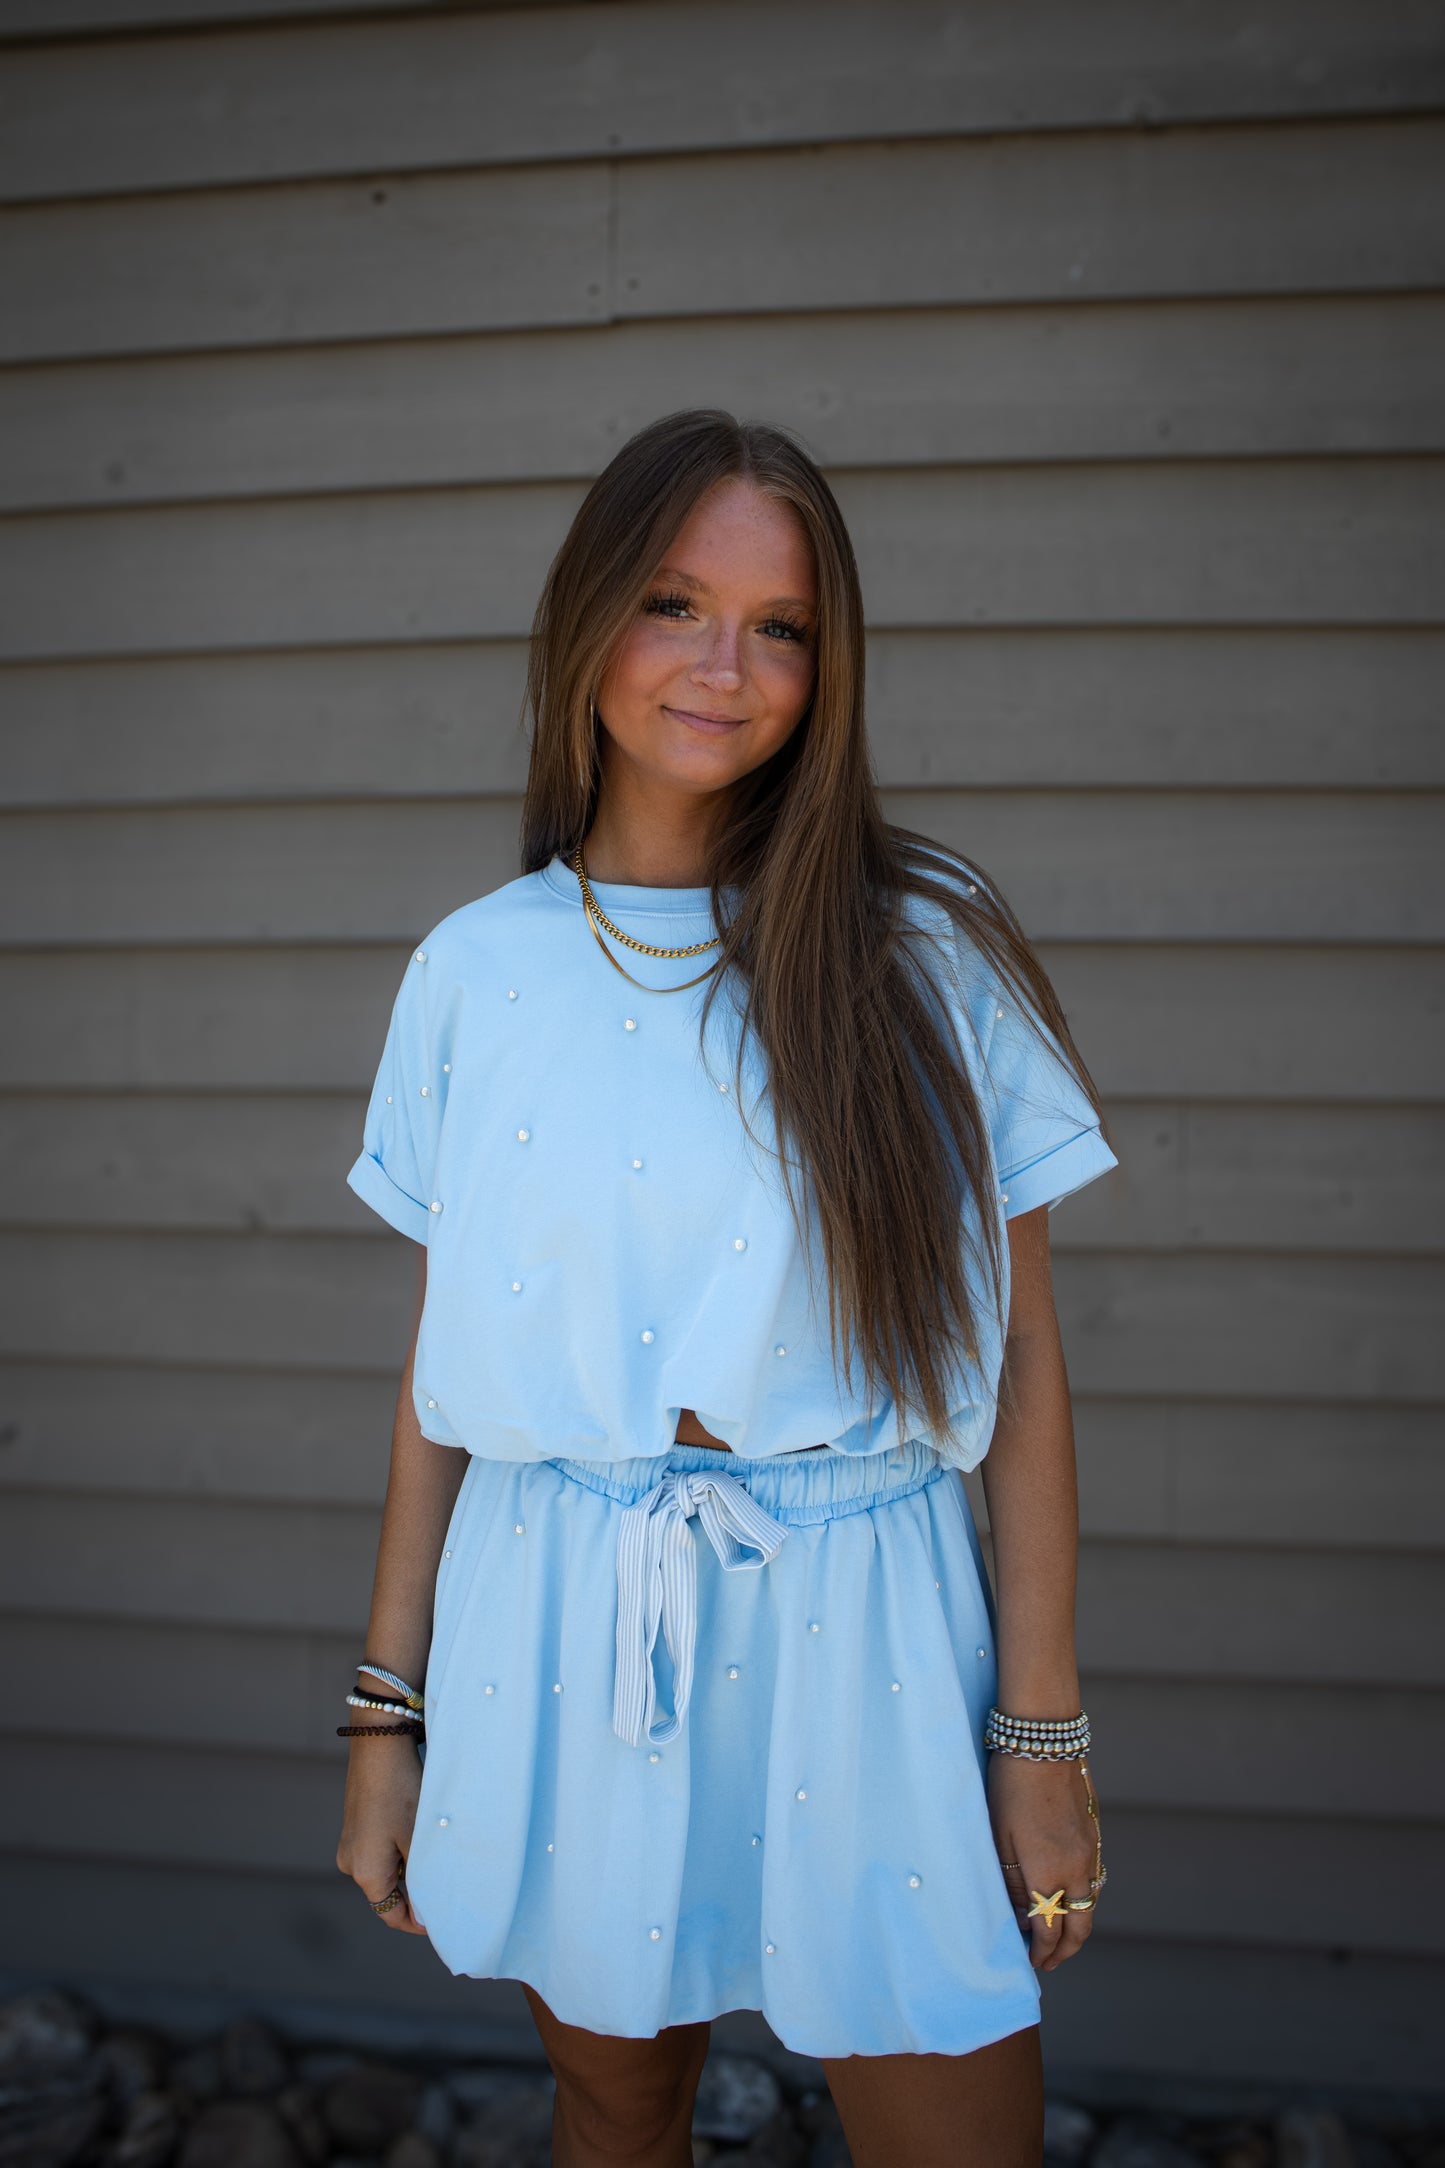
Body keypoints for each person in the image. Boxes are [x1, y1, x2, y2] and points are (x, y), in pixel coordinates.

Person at [336, 409, 1117, 2168]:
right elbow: (448, 1374)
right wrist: (387, 1711)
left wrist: (1040, 1732)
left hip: (871, 1613)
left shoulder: (922, 943)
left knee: (950, 2126)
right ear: (588, 618)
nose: (723, 668)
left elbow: (1022, 1365)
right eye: (674, 604)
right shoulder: (474, 970)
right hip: (562, 1609)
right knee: (617, 2107)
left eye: (780, 628)